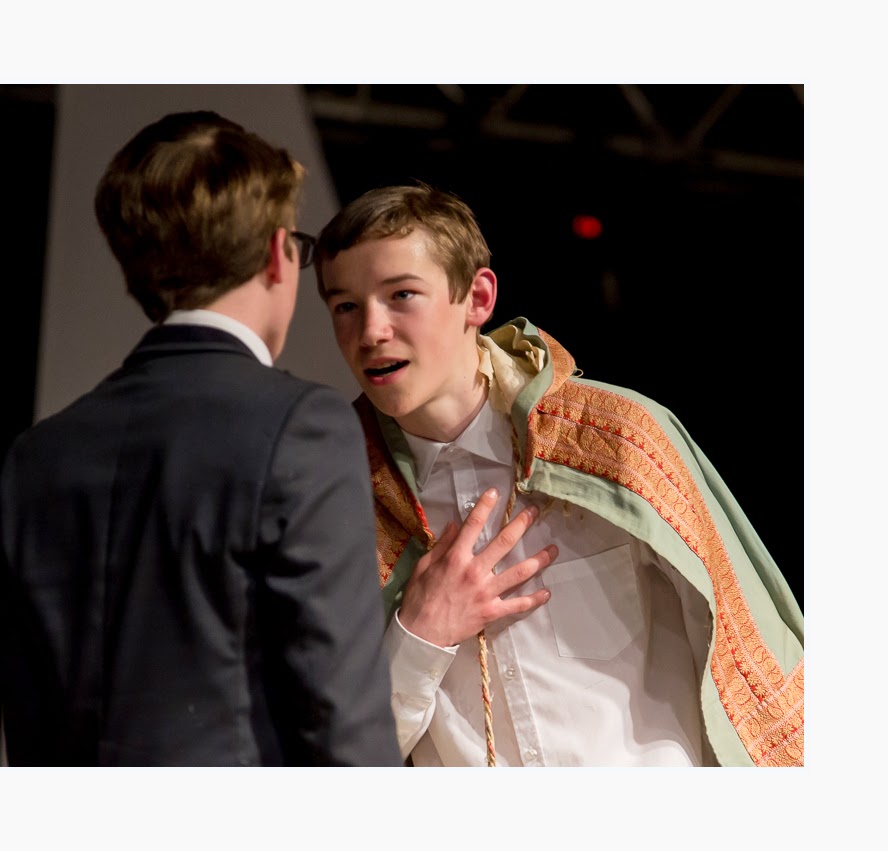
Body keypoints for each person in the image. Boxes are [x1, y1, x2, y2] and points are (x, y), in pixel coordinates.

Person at [313, 182, 804, 767]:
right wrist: (420, 634)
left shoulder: (618, 440)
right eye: (345, 306)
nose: (371, 331)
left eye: (402, 295)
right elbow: (332, 757)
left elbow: (756, 678)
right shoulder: (337, 501)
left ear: (477, 298)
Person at [0, 111, 401, 766]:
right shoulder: (302, 425)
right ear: (277, 253)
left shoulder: (38, 456)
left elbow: (29, 718)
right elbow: (341, 717)